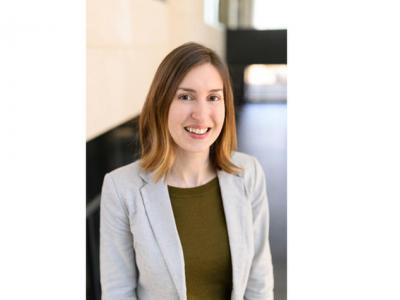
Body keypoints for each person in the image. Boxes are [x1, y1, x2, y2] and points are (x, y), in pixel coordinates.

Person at [100, 42, 274, 300]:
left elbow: (258, 282)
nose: (201, 114)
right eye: (185, 96)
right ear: (161, 103)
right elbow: (118, 292)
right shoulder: (121, 187)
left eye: (213, 97)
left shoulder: (248, 173)